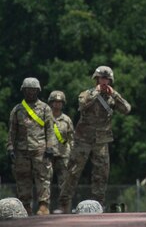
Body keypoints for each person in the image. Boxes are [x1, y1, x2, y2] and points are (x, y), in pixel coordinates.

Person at [56, 66, 131, 213]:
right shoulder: (87, 94)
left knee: (101, 173)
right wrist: (97, 92)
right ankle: (64, 203)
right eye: (101, 78)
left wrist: (115, 94)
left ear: (110, 80)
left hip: (102, 140)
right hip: (83, 139)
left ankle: (98, 204)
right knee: (73, 170)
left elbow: (127, 109)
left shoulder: (111, 98)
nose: (104, 81)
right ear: (96, 79)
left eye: (106, 79)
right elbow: (82, 104)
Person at [6, 77, 56, 215]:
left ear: (37, 91)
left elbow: (50, 129)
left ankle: (43, 205)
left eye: (33, 90)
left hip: (40, 149)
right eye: (28, 90)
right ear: (23, 91)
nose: (30, 93)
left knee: (43, 177)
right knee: (22, 178)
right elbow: (12, 130)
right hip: (21, 150)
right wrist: (10, 147)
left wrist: (50, 147)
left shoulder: (45, 108)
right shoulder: (17, 110)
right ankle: (25, 205)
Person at [47, 90, 75, 193]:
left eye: (60, 102)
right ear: (51, 102)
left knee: (65, 184)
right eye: (55, 101)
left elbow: (71, 138)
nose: (57, 104)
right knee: (45, 184)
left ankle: (64, 208)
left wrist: (73, 154)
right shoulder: (45, 118)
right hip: (48, 155)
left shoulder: (67, 120)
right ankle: (45, 207)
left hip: (63, 155)